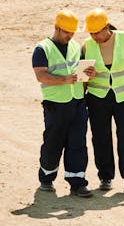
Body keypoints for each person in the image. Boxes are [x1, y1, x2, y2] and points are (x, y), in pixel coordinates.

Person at [83, 9, 124, 193]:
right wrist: (81, 96)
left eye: (97, 32)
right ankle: (105, 177)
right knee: (101, 137)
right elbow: (83, 77)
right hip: (97, 98)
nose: (94, 36)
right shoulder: (87, 46)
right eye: (91, 33)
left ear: (106, 27)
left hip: (123, 96)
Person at [32, 11, 94, 197]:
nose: (70, 35)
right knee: (53, 142)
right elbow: (40, 75)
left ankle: (77, 183)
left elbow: (79, 71)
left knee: (78, 143)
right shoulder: (42, 48)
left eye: (72, 32)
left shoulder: (75, 47)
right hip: (55, 105)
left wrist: (88, 74)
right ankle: (46, 179)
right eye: (66, 31)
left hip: (77, 103)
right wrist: (64, 80)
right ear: (57, 28)